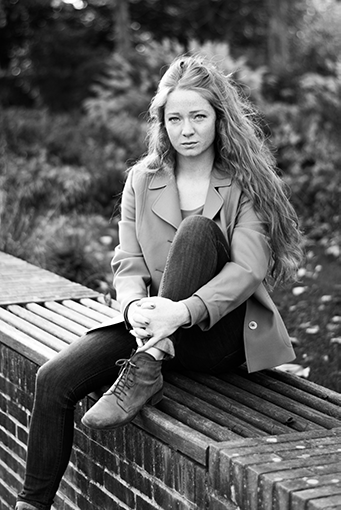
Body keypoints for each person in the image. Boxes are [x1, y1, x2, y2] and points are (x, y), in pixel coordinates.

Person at [16, 55, 303, 510]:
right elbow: (127, 261)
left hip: (221, 335)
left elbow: (248, 269)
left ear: (219, 119)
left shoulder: (244, 182)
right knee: (52, 379)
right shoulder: (141, 180)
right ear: (162, 122)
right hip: (160, 329)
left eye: (198, 117)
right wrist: (133, 308)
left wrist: (181, 311)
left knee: (197, 232)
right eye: (175, 118)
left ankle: (147, 360)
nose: (186, 129)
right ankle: (31, 504)